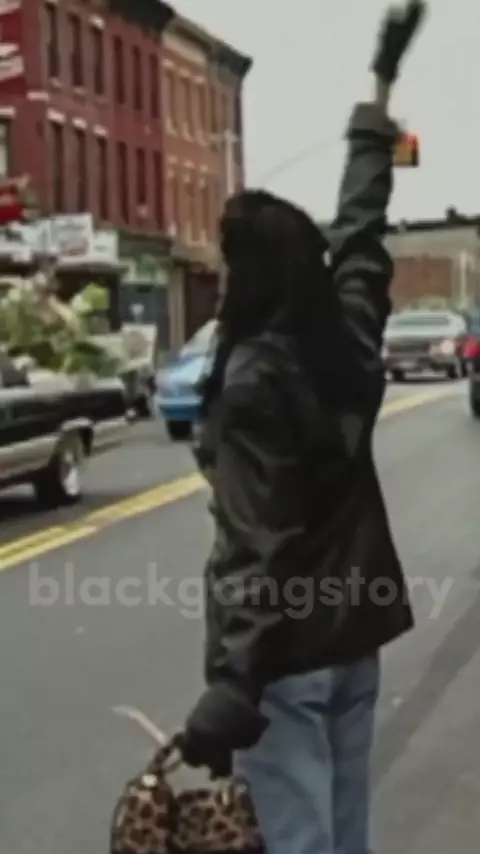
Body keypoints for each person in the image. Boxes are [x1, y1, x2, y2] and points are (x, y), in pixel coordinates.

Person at [178, 3, 427, 853]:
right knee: (345, 834)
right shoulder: (345, 341)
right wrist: (379, 86)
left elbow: (263, 543)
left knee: (299, 841)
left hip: (286, 660)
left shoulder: (252, 382)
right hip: (355, 640)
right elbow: (361, 233)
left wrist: (234, 683)